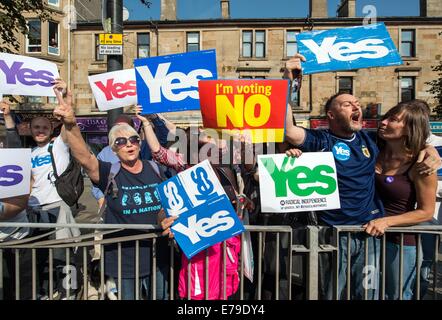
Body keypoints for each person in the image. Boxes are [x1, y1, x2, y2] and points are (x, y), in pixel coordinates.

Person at [283, 54, 440, 300]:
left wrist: (428, 150)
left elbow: (411, 139)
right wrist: (288, 81)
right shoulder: (321, 139)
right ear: (331, 115)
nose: (356, 105)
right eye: (347, 104)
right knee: (331, 294)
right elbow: (290, 131)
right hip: (332, 235)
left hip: (368, 235)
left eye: (356, 102)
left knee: (367, 294)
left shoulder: (371, 139)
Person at [52, 88, 169, 300]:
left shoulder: (155, 169)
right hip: (123, 258)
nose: (128, 144)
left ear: (139, 142)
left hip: (156, 256)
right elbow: (85, 157)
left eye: (133, 139)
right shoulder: (109, 171)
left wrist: (164, 218)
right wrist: (70, 123)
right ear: (114, 149)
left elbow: (164, 206)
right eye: (121, 142)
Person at [141, 116, 246, 300]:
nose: (207, 136)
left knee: (225, 285)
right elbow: (158, 153)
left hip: (224, 236)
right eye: (202, 133)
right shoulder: (186, 163)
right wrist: (148, 123)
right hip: (198, 235)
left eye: (211, 134)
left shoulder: (231, 160)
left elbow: (250, 163)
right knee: (197, 286)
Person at [362, 101, 437, 299]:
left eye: (393, 119)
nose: (383, 122)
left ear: (410, 128)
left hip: (400, 242)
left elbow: (426, 211)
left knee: (397, 295)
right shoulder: (372, 146)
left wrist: (386, 221)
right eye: (385, 117)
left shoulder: (421, 164)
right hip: (364, 237)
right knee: (364, 294)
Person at [90, 113, 173, 210]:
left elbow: (164, 139)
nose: (128, 144)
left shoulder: (144, 147)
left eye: (125, 129)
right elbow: (97, 176)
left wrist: (152, 119)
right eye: (117, 130)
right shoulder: (105, 153)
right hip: (118, 207)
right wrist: (100, 198)